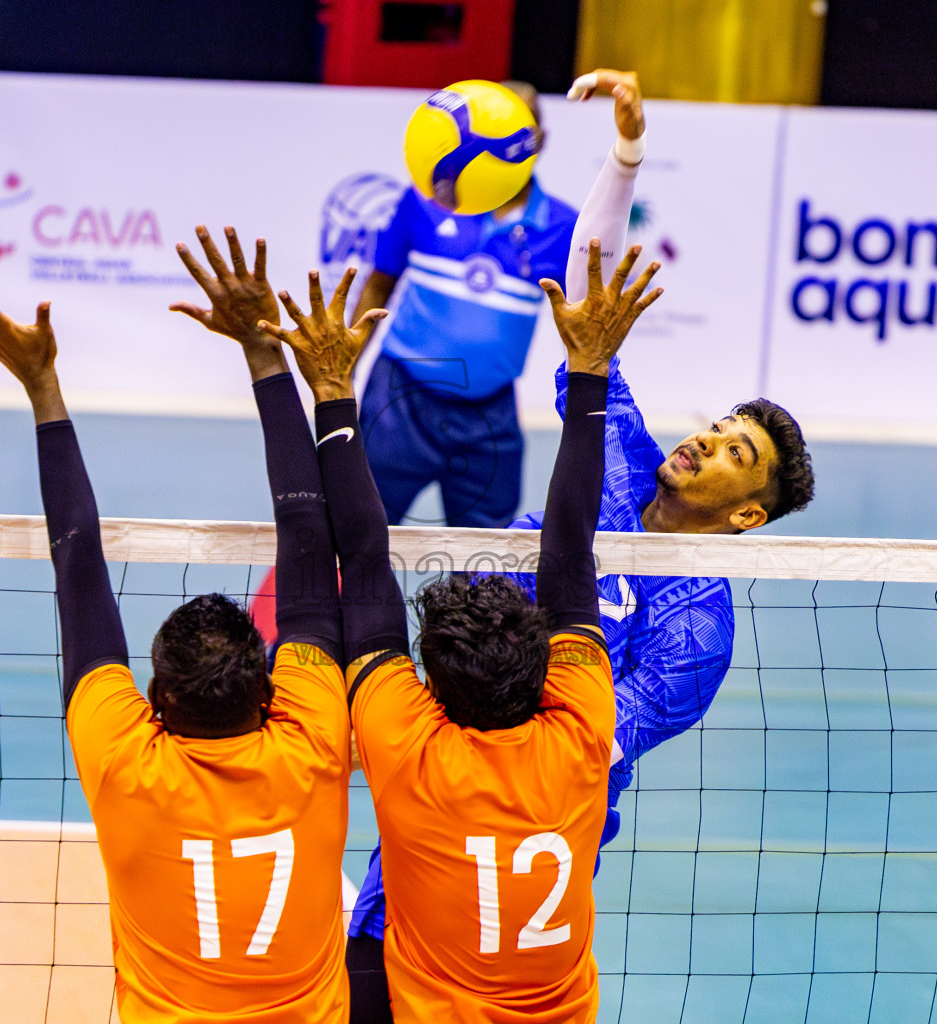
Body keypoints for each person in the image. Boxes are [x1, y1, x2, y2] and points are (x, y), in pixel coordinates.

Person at [343, 70, 818, 1009]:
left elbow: (592, 742)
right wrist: (628, 154)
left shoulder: (697, 632)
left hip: (531, 850)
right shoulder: (628, 455)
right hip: (439, 778)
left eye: (734, 453)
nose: (705, 441)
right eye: (718, 425)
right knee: (371, 966)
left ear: (745, 514)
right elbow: (588, 299)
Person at [0, 223, 380, 1022]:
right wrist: (261, 352)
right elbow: (309, 541)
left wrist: (42, 387)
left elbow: (77, 569)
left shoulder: (126, 763)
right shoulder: (312, 738)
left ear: (157, 700)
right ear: (268, 689)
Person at [262, 237, 662, 1023]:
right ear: (546, 667)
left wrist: (333, 392)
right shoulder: (585, 726)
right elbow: (571, 555)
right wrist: (590, 369)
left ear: (432, 690)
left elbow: (365, 561)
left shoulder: (412, 747)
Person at [350, 81, 579, 529]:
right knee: (359, 537)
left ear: (540, 141)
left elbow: (585, 322)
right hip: (398, 400)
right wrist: (340, 371)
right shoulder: (423, 200)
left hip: (490, 416)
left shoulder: (563, 225)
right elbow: (378, 285)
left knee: (486, 567)